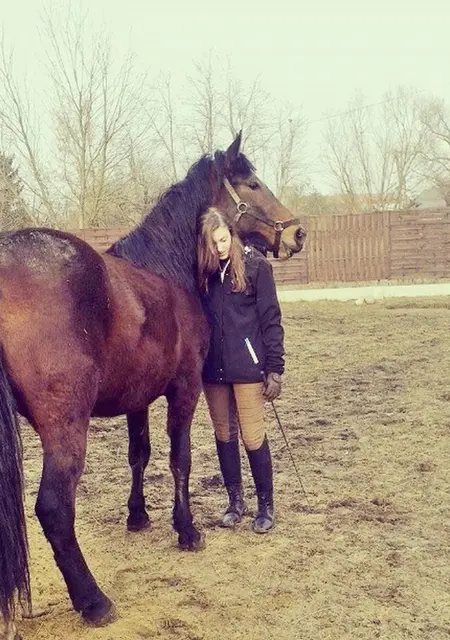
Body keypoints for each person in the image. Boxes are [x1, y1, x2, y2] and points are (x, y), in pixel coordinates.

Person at [197, 207, 284, 533]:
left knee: (252, 435)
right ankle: (235, 501)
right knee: (224, 434)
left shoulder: (256, 267)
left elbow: (271, 320)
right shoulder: (204, 273)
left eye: (223, 240)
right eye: (213, 243)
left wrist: (274, 369)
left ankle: (265, 505)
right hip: (214, 370)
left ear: (232, 235)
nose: (219, 248)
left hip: (249, 368)